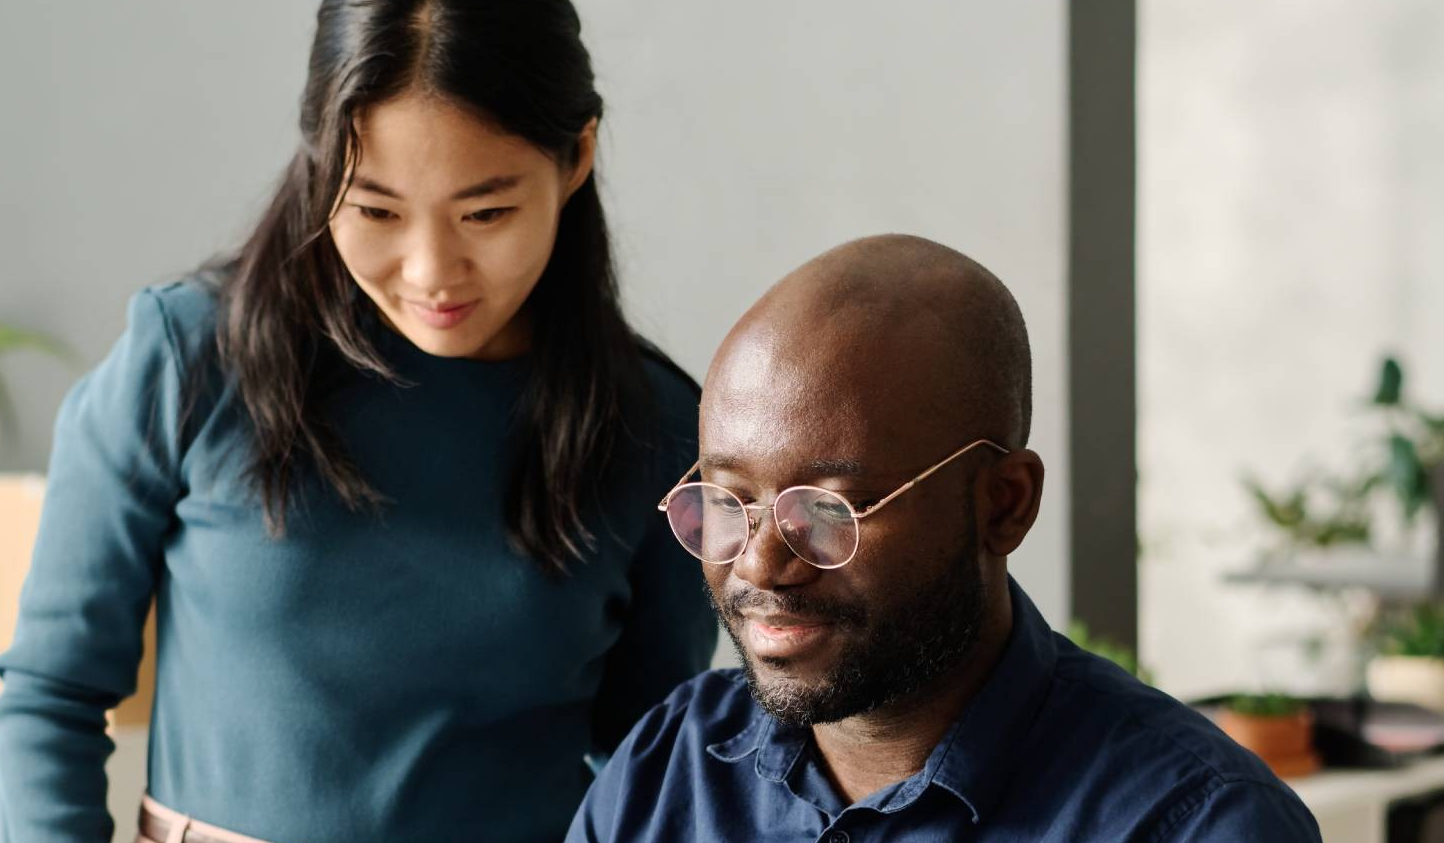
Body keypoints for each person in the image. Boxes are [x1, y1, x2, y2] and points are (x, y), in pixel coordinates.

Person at [0, 0, 715, 841]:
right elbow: (51, 692)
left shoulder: (652, 427)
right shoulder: (190, 358)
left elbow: (652, 771)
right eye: (374, 208)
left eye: (486, 212)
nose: (431, 271)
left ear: (576, 158)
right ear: (319, 164)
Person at [566, 235, 1321, 842]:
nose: (761, 564)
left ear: (1004, 504)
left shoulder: (1197, 821)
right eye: (730, 499)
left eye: (832, 510)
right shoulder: (667, 771)